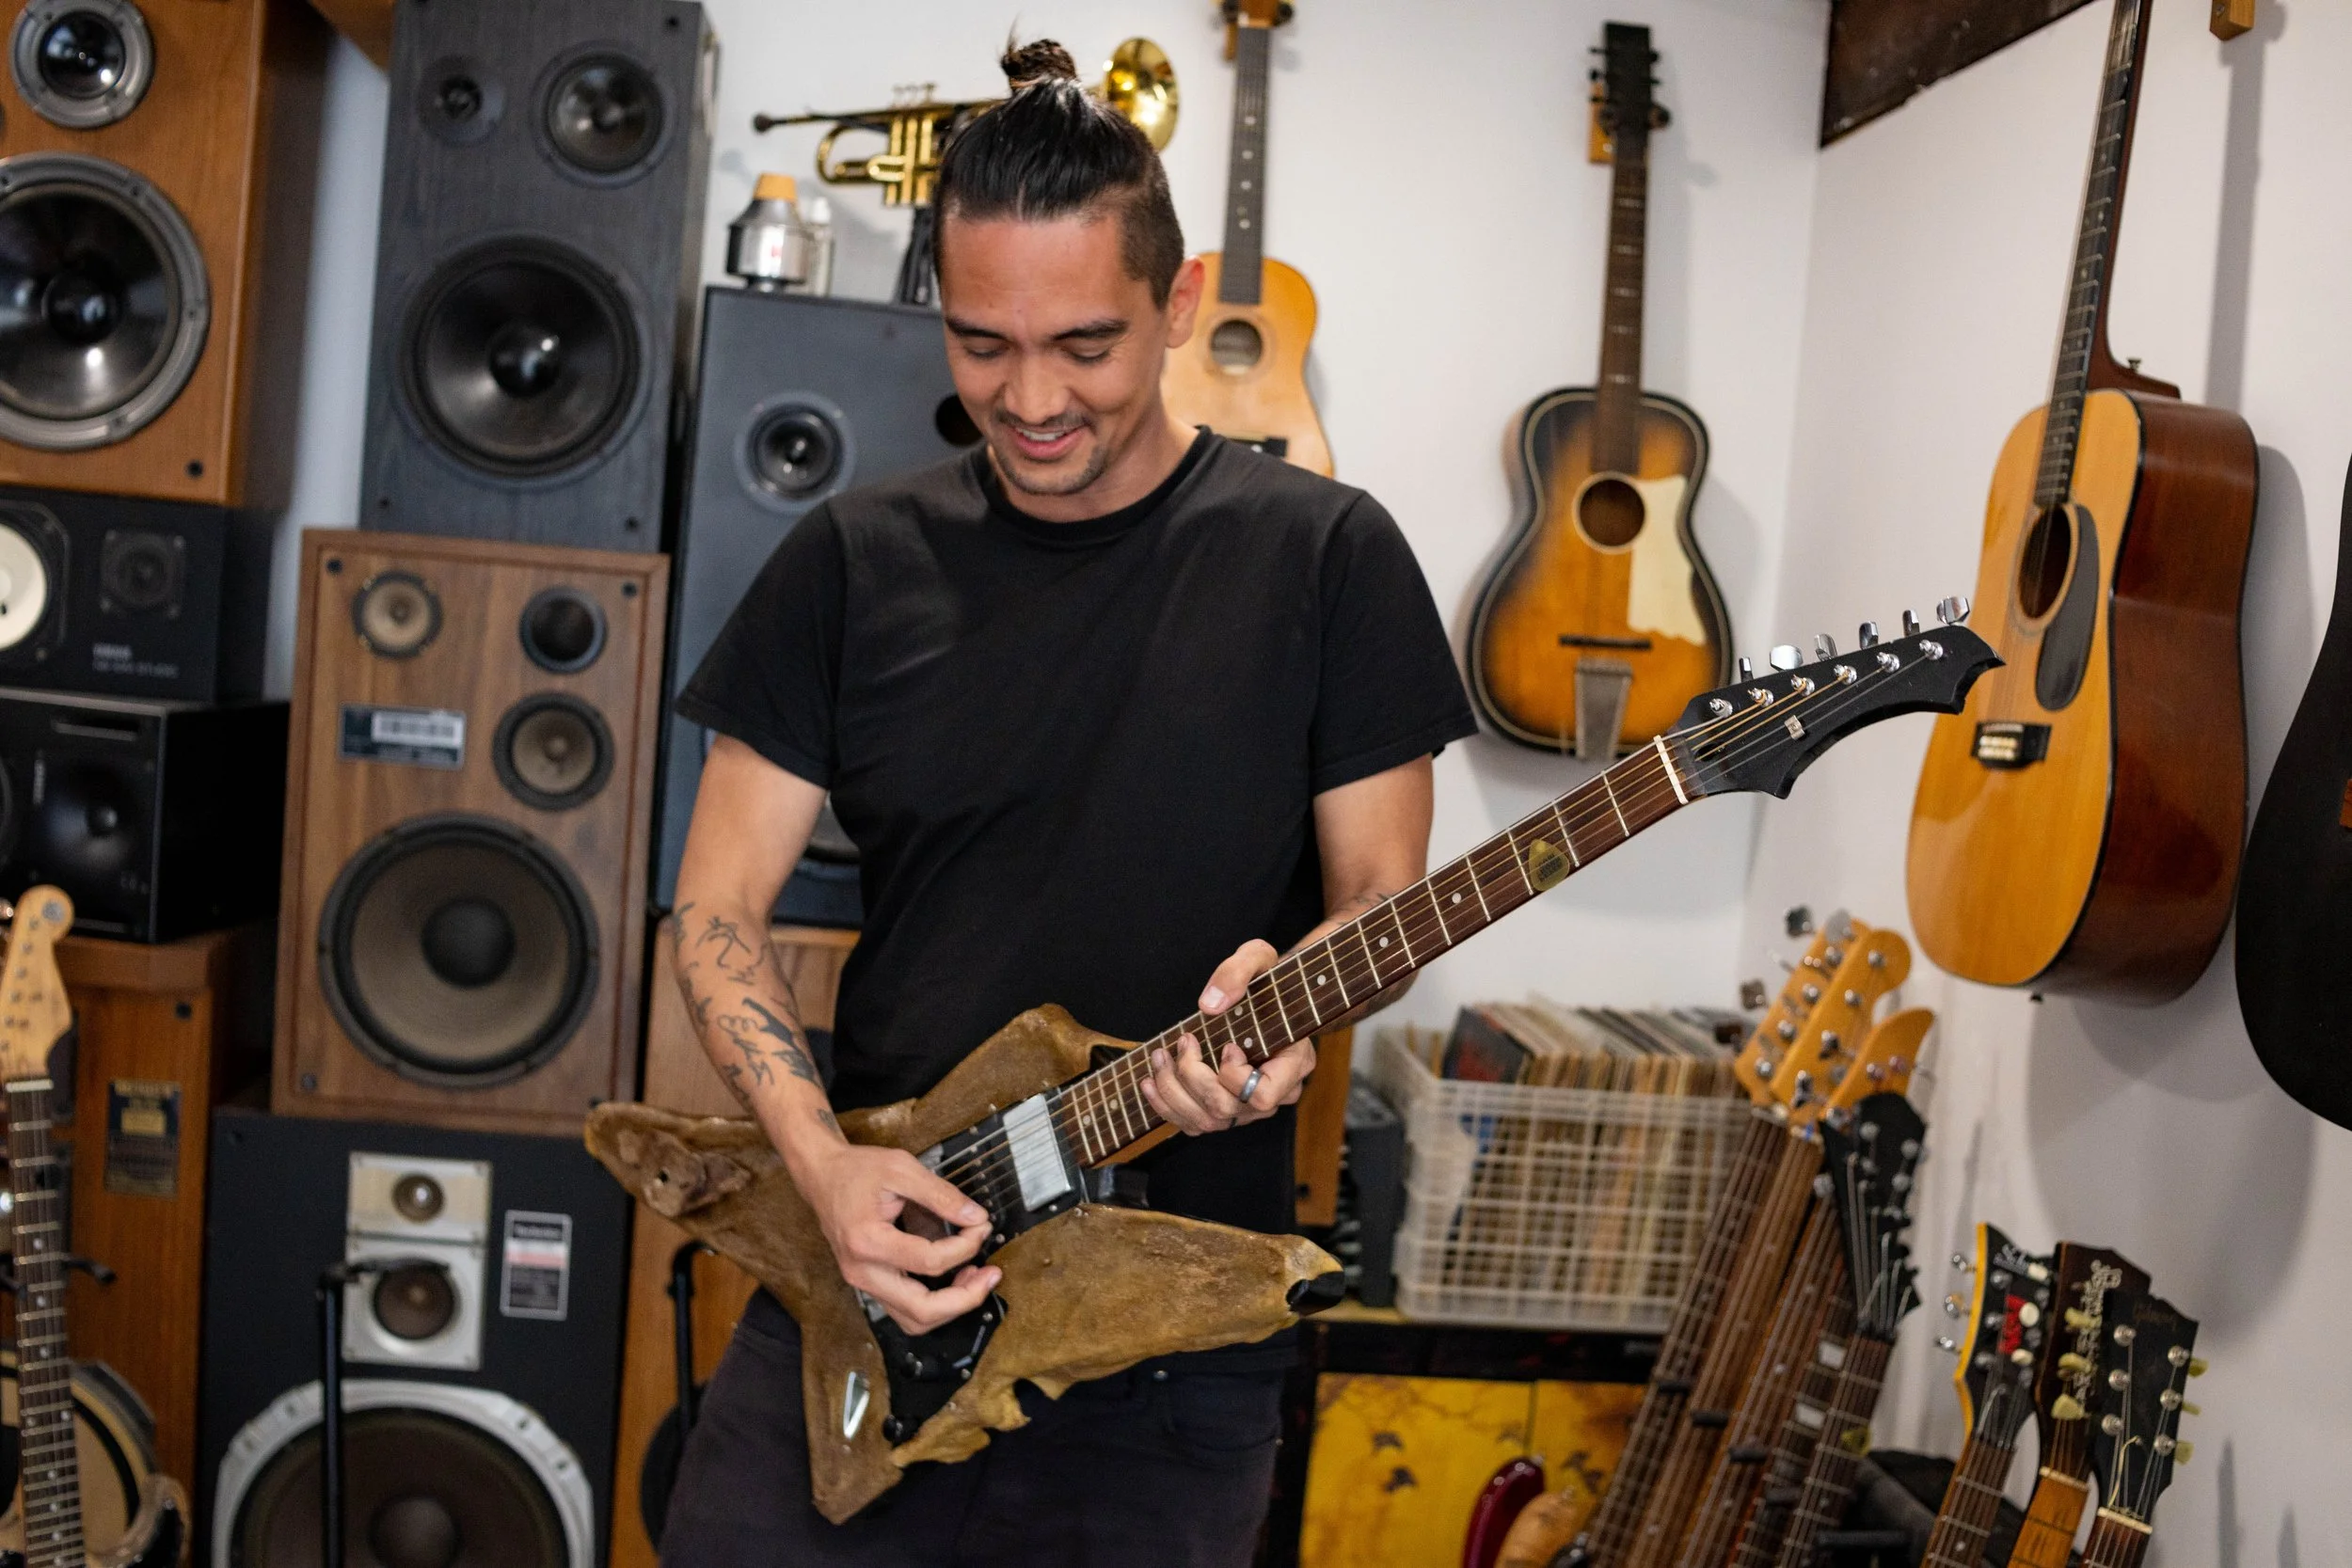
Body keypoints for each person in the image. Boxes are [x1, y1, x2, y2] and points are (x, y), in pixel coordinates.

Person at [657, 39, 1475, 1567]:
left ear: (1179, 306)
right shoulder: (852, 560)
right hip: (874, 1280)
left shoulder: (1327, 558)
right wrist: (826, 1170)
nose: (1029, 400)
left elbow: (1384, 897)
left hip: (1167, 1341)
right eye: (982, 346)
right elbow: (711, 910)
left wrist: (1284, 998)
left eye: (1087, 345)